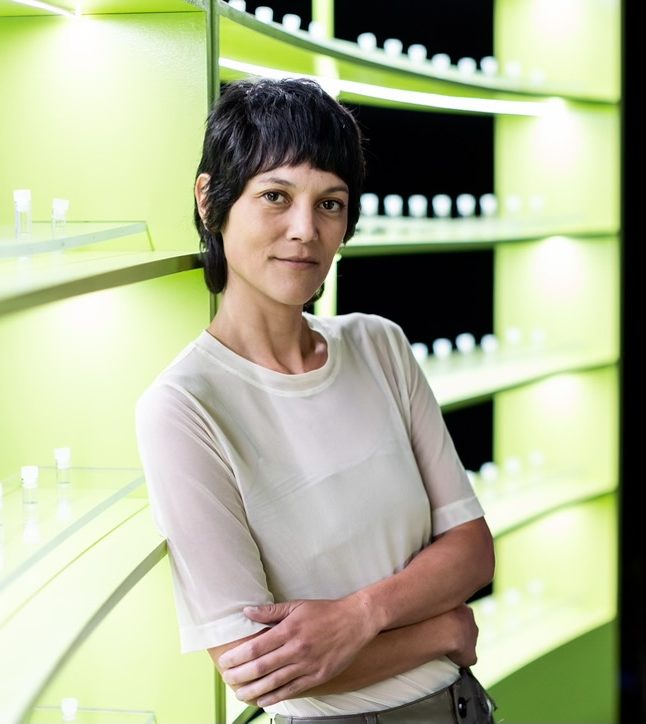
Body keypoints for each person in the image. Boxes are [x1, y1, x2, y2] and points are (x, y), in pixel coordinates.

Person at [135, 76, 497, 723]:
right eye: (276, 196)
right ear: (210, 198)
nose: (305, 230)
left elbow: (472, 549)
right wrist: (440, 632)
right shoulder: (184, 407)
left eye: (330, 204)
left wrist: (358, 617)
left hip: (461, 709)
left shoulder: (379, 346)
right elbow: (260, 670)